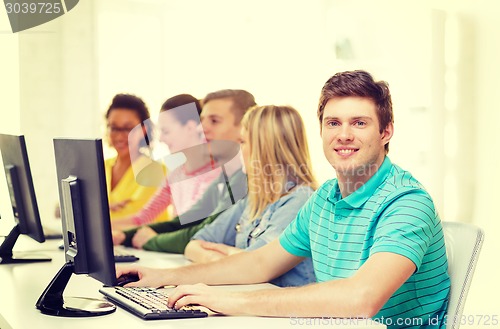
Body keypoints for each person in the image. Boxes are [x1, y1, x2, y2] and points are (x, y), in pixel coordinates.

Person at [117, 71, 451, 328]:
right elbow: (260, 263)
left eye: (359, 123)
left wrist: (230, 301)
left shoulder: (407, 202)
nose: (344, 135)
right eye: (333, 122)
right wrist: (163, 278)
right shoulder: (325, 199)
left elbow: (360, 298)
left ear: (386, 131)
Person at [185, 105, 317, 287]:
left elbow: (258, 265)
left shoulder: (300, 201)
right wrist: (222, 259)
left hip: (286, 312)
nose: (238, 149)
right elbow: (194, 243)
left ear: (265, 147)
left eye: (243, 142)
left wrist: (233, 260)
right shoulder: (254, 199)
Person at [112, 89, 256, 252]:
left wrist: (151, 241)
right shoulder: (221, 177)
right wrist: (127, 236)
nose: (201, 129)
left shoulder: (244, 178)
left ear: (245, 127)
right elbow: (185, 221)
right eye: (202, 121)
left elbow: (203, 233)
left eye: (214, 121)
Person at [111, 94, 221, 230]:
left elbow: (197, 230)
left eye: (166, 131)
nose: (161, 139)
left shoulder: (217, 175)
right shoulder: (175, 175)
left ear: (190, 128)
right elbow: (143, 218)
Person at [104, 93, 168, 223]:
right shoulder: (99, 167)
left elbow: (135, 219)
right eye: (114, 128)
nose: (120, 136)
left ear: (143, 130)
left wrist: (96, 210)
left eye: (128, 129)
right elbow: (63, 208)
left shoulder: (155, 171)